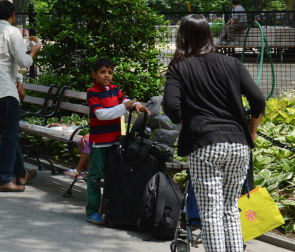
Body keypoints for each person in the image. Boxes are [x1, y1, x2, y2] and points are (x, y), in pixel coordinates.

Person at [163, 14, 265, 251]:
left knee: (211, 212)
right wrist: (252, 131)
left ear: (183, 37)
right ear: (209, 34)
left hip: (204, 145)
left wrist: (185, 125)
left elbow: (170, 106)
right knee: (229, 208)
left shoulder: (179, 67)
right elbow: (258, 99)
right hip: (238, 144)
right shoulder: (232, 63)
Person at [0, 0, 42, 192]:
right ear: (13, 15)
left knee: (8, 133)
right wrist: (34, 51)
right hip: (4, 88)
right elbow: (23, 61)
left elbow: (4, 61)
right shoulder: (12, 31)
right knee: (11, 135)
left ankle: (20, 173)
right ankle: (3, 179)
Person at [85, 58, 149, 224]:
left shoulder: (115, 90)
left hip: (114, 142)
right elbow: (101, 114)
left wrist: (135, 104)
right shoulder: (92, 92)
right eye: (102, 72)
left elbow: (124, 100)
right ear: (94, 74)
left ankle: (110, 209)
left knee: (113, 176)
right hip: (99, 143)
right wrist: (124, 107)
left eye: (110, 72)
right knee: (94, 177)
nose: (107, 75)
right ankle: (92, 210)